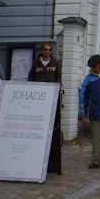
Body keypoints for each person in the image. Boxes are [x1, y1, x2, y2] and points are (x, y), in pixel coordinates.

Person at [29, 42, 63, 174]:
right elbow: (31, 76)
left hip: (50, 94)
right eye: (45, 49)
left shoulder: (55, 63)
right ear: (42, 50)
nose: (47, 51)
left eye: (49, 50)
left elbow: (58, 77)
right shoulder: (36, 63)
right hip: (38, 94)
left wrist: (58, 90)